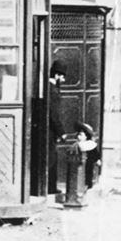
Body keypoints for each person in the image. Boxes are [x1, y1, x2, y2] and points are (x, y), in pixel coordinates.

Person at [47, 61, 67, 194]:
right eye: (63, 77)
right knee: (52, 159)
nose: (64, 80)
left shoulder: (48, 87)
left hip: (48, 130)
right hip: (50, 131)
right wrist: (62, 133)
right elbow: (54, 115)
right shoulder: (53, 91)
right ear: (57, 75)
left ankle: (50, 187)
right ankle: (50, 188)